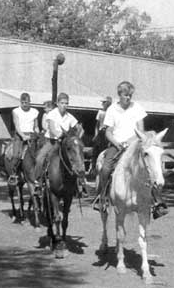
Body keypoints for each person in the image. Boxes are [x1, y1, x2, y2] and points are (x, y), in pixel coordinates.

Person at [93, 81, 147, 212]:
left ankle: (156, 201)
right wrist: (116, 143)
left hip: (134, 145)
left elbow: (141, 130)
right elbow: (108, 131)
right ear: (120, 95)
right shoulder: (111, 109)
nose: (128, 98)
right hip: (116, 146)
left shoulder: (137, 107)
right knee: (106, 168)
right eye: (126, 95)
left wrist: (131, 141)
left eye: (130, 95)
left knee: (149, 165)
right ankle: (103, 197)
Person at [33, 93, 84, 190]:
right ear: (57, 103)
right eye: (62, 103)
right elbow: (52, 129)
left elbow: (80, 129)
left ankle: (80, 182)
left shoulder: (69, 116)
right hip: (52, 142)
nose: (64, 105)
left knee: (76, 157)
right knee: (40, 158)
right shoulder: (52, 114)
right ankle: (38, 182)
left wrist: (77, 138)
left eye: (66, 103)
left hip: (66, 143)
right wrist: (59, 135)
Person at [6, 92, 39, 185]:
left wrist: (37, 132)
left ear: (30, 102)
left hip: (31, 135)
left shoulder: (35, 112)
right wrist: (23, 136)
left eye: (26, 102)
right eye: (23, 102)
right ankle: (13, 174)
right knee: (16, 155)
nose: (24, 104)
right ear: (20, 102)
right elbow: (17, 126)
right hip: (20, 136)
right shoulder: (16, 111)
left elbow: (36, 126)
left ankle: (39, 176)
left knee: (38, 155)